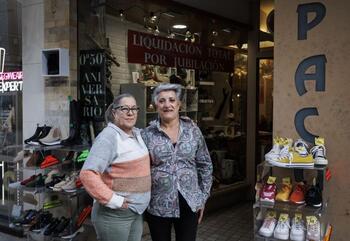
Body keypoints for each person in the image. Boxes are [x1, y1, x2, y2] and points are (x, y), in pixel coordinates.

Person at [141, 83, 213, 241]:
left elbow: (205, 165)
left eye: (172, 100)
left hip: (189, 202)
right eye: (162, 101)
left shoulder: (193, 131)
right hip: (157, 205)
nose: (167, 105)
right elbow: (140, 169)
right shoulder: (147, 134)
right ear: (155, 106)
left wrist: (202, 198)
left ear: (179, 104)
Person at [80, 94, 151, 241]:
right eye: (124, 108)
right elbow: (88, 174)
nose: (130, 113)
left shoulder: (137, 134)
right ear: (114, 112)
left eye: (133, 108)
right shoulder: (109, 137)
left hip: (135, 211)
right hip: (114, 214)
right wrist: (114, 200)